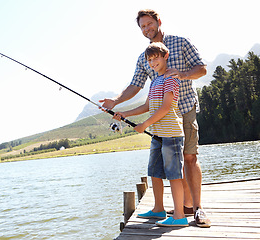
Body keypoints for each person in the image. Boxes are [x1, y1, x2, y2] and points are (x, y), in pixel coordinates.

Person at [100, 9, 211, 227]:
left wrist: (182, 74)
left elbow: (202, 68)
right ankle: (180, 207)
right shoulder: (145, 57)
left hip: (185, 109)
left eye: (149, 24)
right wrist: (115, 102)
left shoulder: (180, 42)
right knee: (165, 165)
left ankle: (197, 209)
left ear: (158, 21)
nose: (147, 29)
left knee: (189, 158)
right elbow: (135, 85)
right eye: (142, 26)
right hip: (161, 121)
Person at [114, 42, 187, 226]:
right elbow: (147, 106)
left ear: (165, 56)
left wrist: (144, 124)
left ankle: (179, 216)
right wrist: (125, 114)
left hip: (171, 135)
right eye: (150, 60)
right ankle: (158, 209)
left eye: (156, 58)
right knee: (154, 172)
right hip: (157, 136)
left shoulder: (171, 78)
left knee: (174, 175)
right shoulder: (154, 81)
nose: (153, 62)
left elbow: (166, 107)